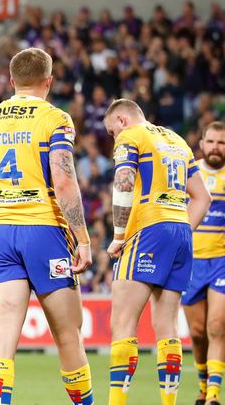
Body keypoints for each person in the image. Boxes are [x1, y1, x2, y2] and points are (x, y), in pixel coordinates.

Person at [0, 48, 94, 405]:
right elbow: (65, 180)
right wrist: (82, 238)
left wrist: (8, 210)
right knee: (68, 334)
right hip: (46, 231)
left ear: (11, 81)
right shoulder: (55, 118)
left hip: (3, 233)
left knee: (4, 336)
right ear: (49, 81)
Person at [105, 98, 211, 405]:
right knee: (166, 325)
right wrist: (179, 232)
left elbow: (123, 183)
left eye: (112, 132)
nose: (115, 138)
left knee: (123, 322)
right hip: (179, 230)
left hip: (147, 228)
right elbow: (202, 198)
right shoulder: (177, 141)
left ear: (122, 121)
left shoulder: (131, 137)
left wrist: (119, 235)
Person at [182, 121, 225, 405]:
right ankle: (202, 384)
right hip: (193, 262)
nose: (216, 148)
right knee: (197, 334)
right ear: (202, 143)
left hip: (221, 261)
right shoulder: (189, 172)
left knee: (217, 326)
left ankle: (212, 396)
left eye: (221, 143)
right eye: (211, 142)